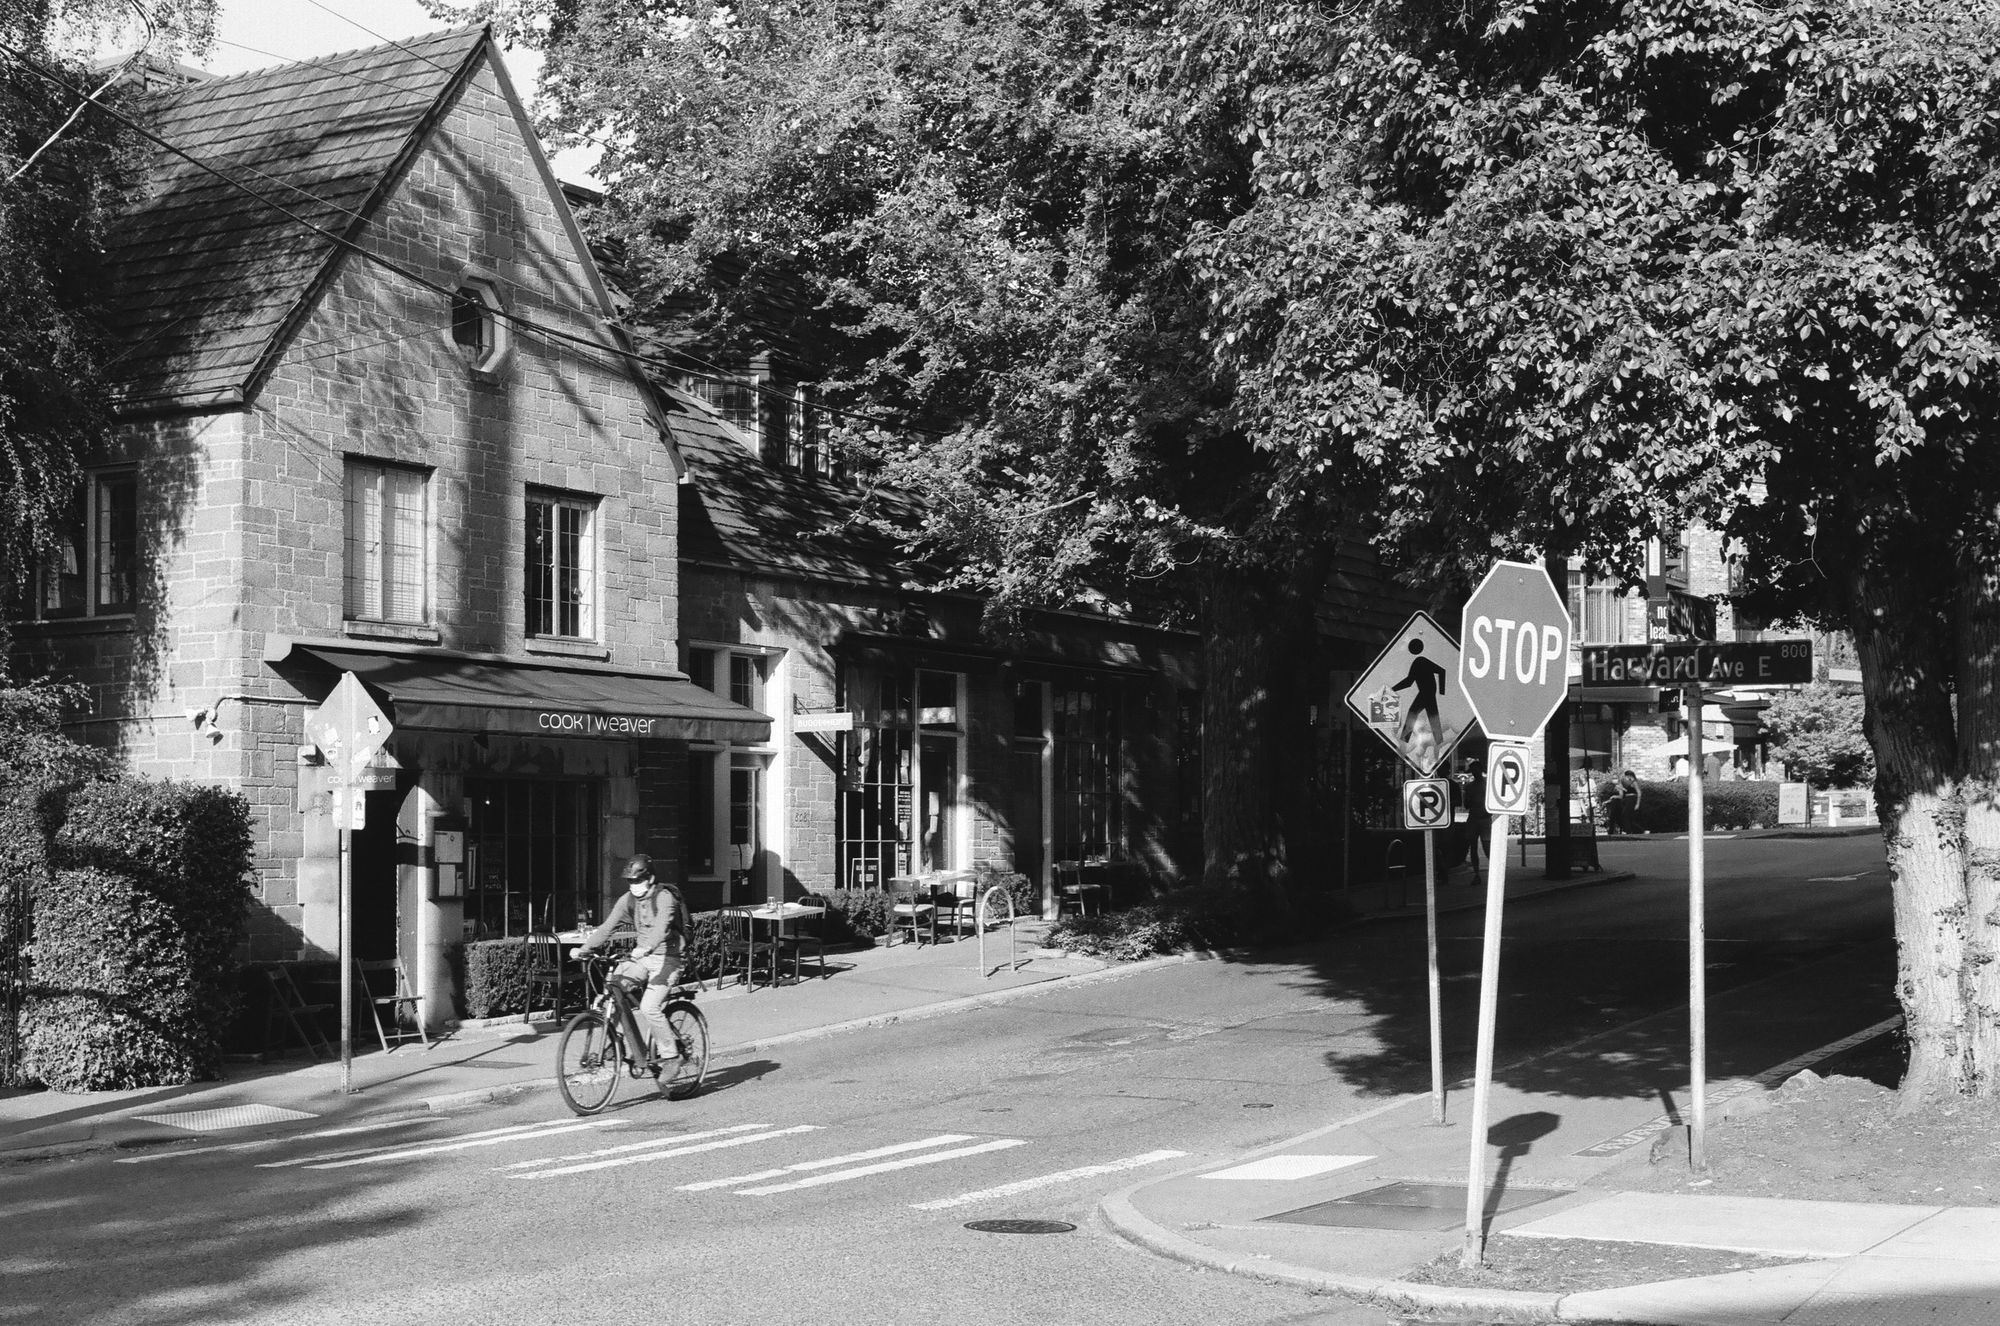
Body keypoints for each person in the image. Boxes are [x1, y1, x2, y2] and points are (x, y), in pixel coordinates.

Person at [573, 854, 690, 1068]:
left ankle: (672, 1056)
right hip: (642, 958)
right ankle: (616, 1040)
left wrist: (645, 948)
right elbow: (607, 927)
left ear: (651, 878)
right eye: (630, 881)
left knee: (649, 1007)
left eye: (638, 880)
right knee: (614, 988)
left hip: (669, 958)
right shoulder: (628, 900)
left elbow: (661, 928)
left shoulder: (664, 898)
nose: (634, 885)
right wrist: (585, 949)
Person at [1458, 756, 1491, 873]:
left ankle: (1494, 871)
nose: (1475, 772)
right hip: (1473, 818)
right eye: (1473, 770)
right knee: (1473, 847)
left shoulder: (1488, 785)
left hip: (1485, 819)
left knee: (1487, 847)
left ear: (1481, 770)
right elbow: (1466, 805)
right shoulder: (1470, 787)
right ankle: (1476, 873)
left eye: (1476, 769)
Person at [1606, 769, 1642, 833]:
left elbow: (1638, 792)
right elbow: (1626, 791)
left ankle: (1631, 831)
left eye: (1627, 776)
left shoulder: (1634, 782)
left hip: (1632, 798)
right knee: (1625, 816)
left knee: (1625, 815)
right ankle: (1630, 830)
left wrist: (1637, 804)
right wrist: (1621, 788)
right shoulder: (1627, 783)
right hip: (1627, 799)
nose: (1626, 778)